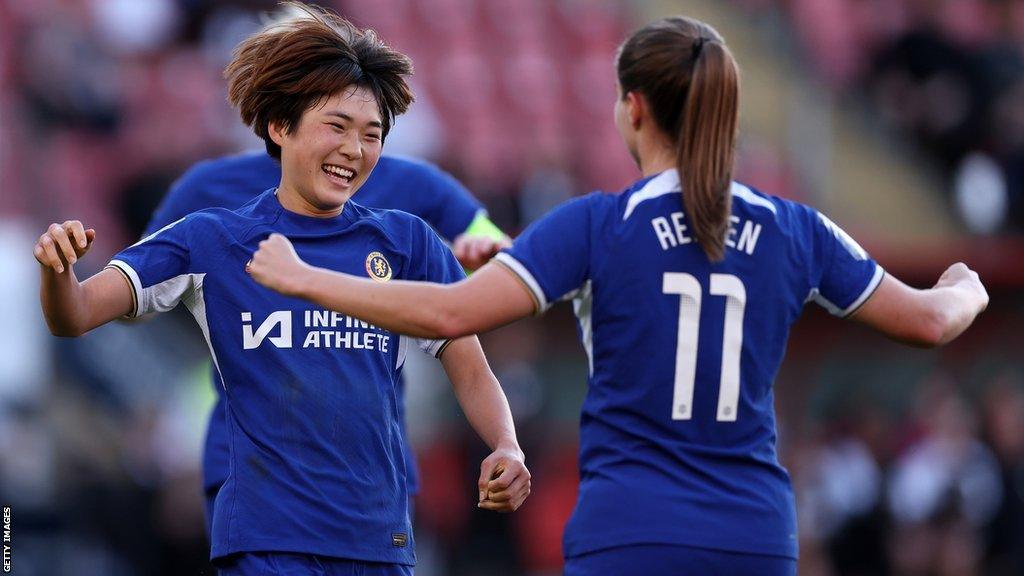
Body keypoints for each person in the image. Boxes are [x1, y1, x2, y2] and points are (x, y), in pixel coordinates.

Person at [245, 15, 989, 575]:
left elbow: (448, 312)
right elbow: (930, 321)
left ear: (634, 108)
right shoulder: (795, 228)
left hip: (631, 529)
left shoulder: (600, 225)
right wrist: (967, 286)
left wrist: (305, 277)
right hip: (755, 536)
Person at [34, 4, 529, 575]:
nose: (354, 150)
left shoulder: (408, 243)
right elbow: (75, 315)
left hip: (378, 539)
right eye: (336, 127)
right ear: (279, 126)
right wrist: (57, 272)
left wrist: (507, 444)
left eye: (372, 135)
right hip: (267, 541)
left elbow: (470, 365)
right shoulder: (209, 240)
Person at [145, 149, 509, 535]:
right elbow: (145, 292)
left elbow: (501, 263)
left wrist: (480, 257)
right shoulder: (209, 189)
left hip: (370, 470)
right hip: (246, 469)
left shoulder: (413, 192)